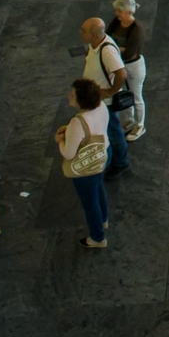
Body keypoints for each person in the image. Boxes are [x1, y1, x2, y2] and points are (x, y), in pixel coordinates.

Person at [56, 78, 112, 249]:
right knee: (98, 186)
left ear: (81, 100)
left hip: (87, 165)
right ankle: (104, 219)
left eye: (72, 95)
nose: (68, 96)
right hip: (104, 153)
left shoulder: (77, 122)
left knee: (89, 202)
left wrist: (59, 140)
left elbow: (69, 153)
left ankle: (97, 238)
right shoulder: (101, 106)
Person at [80, 18, 131, 179]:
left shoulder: (107, 51)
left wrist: (110, 91)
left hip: (105, 101)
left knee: (113, 130)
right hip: (96, 98)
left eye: (83, 30)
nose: (80, 33)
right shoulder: (94, 44)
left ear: (94, 34)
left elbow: (121, 74)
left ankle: (121, 163)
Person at [108, 0, 147, 139]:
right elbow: (107, 37)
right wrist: (120, 48)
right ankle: (129, 121)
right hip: (119, 64)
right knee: (123, 93)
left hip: (134, 66)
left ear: (128, 12)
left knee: (136, 95)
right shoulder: (116, 22)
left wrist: (114, 50)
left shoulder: (137, 29)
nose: (116, 13)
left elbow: (130, 51)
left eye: (119, 11)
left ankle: (140, 125)